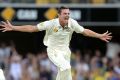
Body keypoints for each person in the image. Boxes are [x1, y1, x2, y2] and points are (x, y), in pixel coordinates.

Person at [0, 6, 112, 80]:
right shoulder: (51, 24)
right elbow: (32, 28)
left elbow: (85, 31)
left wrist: (99, 35)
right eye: (65, 13)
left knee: (67, 77)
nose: (67, 15)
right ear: (59, 15)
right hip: (53, 50)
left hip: (65, 51)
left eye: (68, 13)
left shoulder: (72, 23)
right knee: (66, 67)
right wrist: (13, 27)